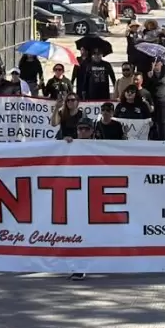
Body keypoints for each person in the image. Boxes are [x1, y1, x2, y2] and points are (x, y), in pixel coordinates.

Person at [63, 117, 98, 281]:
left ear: (92, 131)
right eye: (80, 129)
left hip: (95, 196)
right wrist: (63, 143)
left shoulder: (101, 146)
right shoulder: (69, 145)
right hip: (74, 195)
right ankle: (78, 267)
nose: (83, 132)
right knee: (75, 232)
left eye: (86, 129)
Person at [145, 60, 165, 140]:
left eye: (157, 64)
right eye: (154, 64)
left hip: (163, 99)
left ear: (161, 64)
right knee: (153, 120)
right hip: (152, 99)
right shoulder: (150, 73)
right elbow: (146, 88)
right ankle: (153, 138)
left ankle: (162, 139)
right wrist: (149, 78)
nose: (155, 66)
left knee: (162, 121)